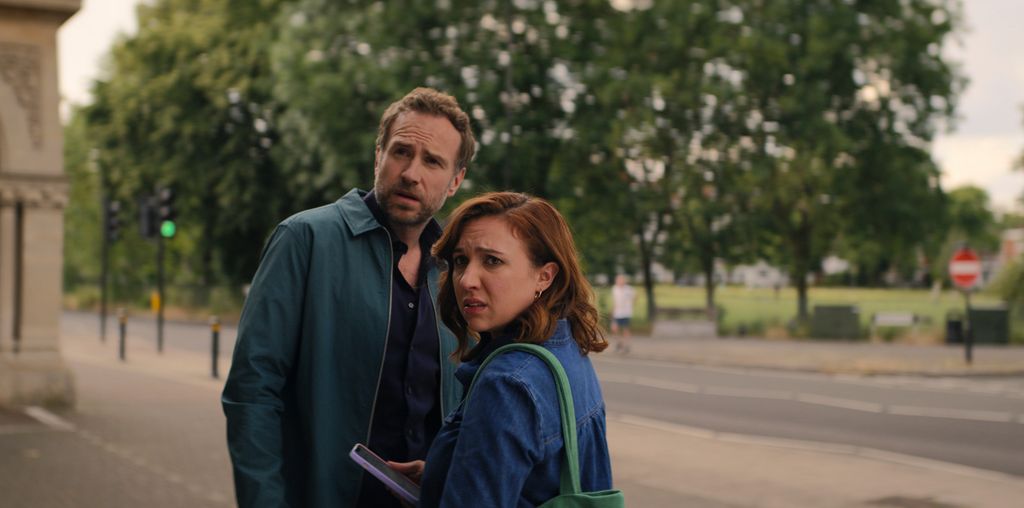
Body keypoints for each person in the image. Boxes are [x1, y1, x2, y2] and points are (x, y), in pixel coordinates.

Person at [221, 87, 476, 508]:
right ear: (378, 156)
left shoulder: (459, 270)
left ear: (455, 181)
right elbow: (252, 391)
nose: (411, 173)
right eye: (401, 152)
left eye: (432, 161)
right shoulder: (304, 239)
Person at [390, 192, 614, 507]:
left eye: (492, 261)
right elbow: (542, 477)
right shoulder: (565, 349)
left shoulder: (507, 383)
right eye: (460, 261)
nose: (466, 280)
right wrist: (444, 475)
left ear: (544, 276)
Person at [610, 274, 636, 353]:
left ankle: (626, 345)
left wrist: (631, 305)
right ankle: (619, 343)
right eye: (618, 280)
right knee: (614, 328)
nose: (619, 281)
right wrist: (613, 310)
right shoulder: (614, 289)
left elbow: (635, 297)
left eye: (621, 280)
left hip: (626, 313)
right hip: (617, 312)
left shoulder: (629, 289)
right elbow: (615, 300)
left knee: (625, 329)